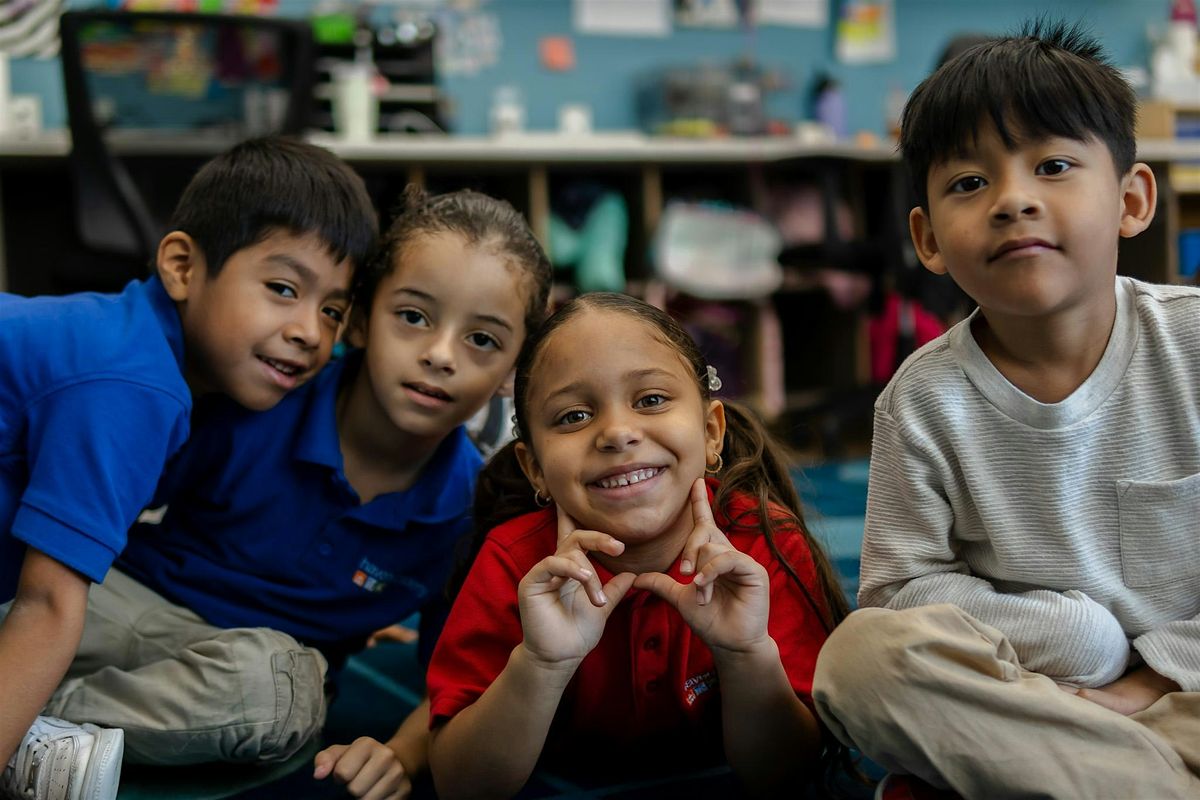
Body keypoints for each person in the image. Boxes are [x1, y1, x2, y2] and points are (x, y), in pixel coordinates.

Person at [811, 20, 1200, 799]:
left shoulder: (1191, 344)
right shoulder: (920, 402)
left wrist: (1153, 677)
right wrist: (1071, 636)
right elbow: (898, 597)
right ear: (926, 238)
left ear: (1131, 199)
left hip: (1183, 695)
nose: (1012, 200)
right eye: (968, 183)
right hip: (1042, 701)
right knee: (856, 661)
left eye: (1053, 166)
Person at [61, 187, 552, 797]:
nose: (440, 355)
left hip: (245, 677)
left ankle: (32, 723)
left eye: (482, 339)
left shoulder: (464, 516)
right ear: (360, 317)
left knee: (284, 697)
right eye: (414, 316)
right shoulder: (261, 396)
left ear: (513, 371)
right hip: (117, 604)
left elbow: (456, 681)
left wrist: (401, 751)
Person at [0, 136, 376, 800]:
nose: (311, 332)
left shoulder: (134, 344)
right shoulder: (134, 384)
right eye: (283, 288)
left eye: (332, 311)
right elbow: (49, 600)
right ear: (181, 265)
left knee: (275, 683)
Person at [425, 292, 849, 798]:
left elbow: (785, 774)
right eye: (573, 416)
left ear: (712, 431)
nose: (618, 433)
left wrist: (744, 653)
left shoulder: (761, 544)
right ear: (534, 466)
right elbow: (460, 786)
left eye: (650, 400)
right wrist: (541, 664)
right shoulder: (514, 563)